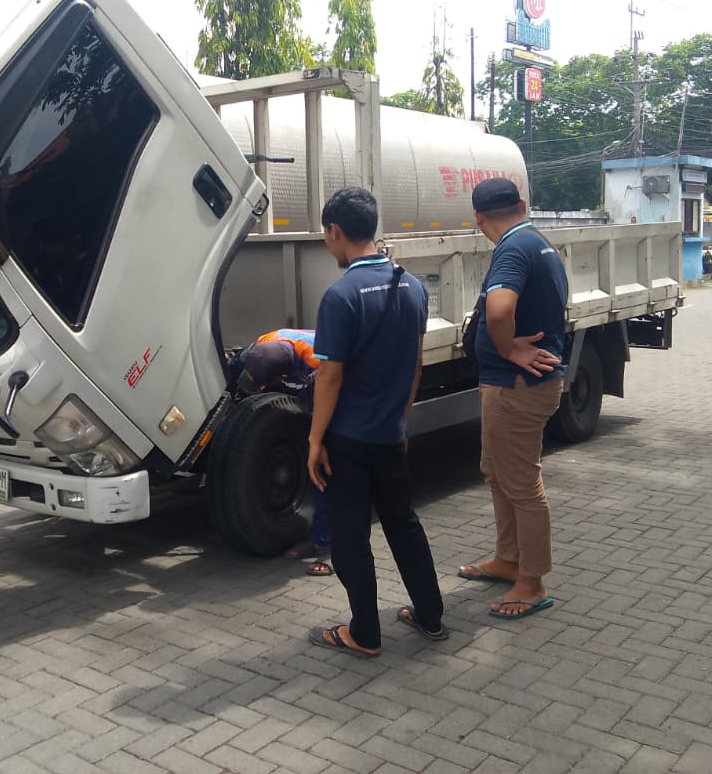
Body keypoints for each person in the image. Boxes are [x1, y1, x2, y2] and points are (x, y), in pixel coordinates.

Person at [306, 186, 446, 658]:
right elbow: (415, 365)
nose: (328, 244)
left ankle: (364, 633)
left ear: (337, 231)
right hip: (390, 435)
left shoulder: (340, 295)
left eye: (327, 235)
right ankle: (430, 615)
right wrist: (401, 422)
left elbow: (330, 375)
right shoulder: (412, 286)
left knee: (349, 537)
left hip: (348, 439)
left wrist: (314, 439)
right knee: (404, 525)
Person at [458, 177, 568, 620]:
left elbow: (500, 309)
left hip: (517, 387)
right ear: (522, 204)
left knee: (522, 484)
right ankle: (508, 560)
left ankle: (532, 581)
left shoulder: (513, 249)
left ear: (479, 218)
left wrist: (507, 348)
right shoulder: (538, 242)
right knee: (497, 472)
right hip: (512, 386)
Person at [226, 330, 333, 575]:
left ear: (283, 375)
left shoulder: (318, 361)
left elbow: (331, 397)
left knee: (324, 471)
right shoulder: (259, 347)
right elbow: (234, 365)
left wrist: (319, 442)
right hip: (302, 382)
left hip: (334, 397)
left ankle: (324, 543)